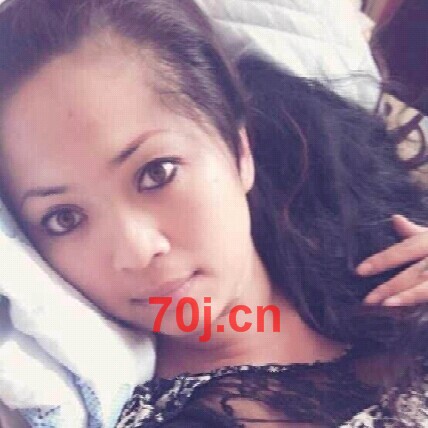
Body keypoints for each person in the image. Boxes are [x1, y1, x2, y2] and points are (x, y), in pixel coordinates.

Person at [0, 0, 427, 426]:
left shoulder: (381, 251)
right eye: (65, 218)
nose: (135, 251)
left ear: (239, 150)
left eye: (157, 173)